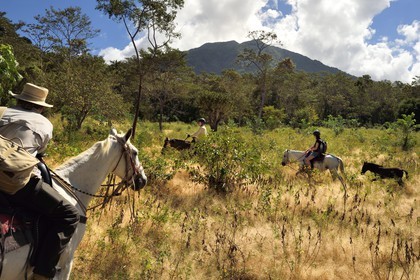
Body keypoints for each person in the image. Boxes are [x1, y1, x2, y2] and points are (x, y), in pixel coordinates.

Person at [0, 83, 79, 280]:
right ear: (41, 106)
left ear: (18, 99)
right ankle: (42, 273)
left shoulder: (1, 111)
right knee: (69, 215)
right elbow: (39, 152)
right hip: (14, 183)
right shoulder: (45, 124)